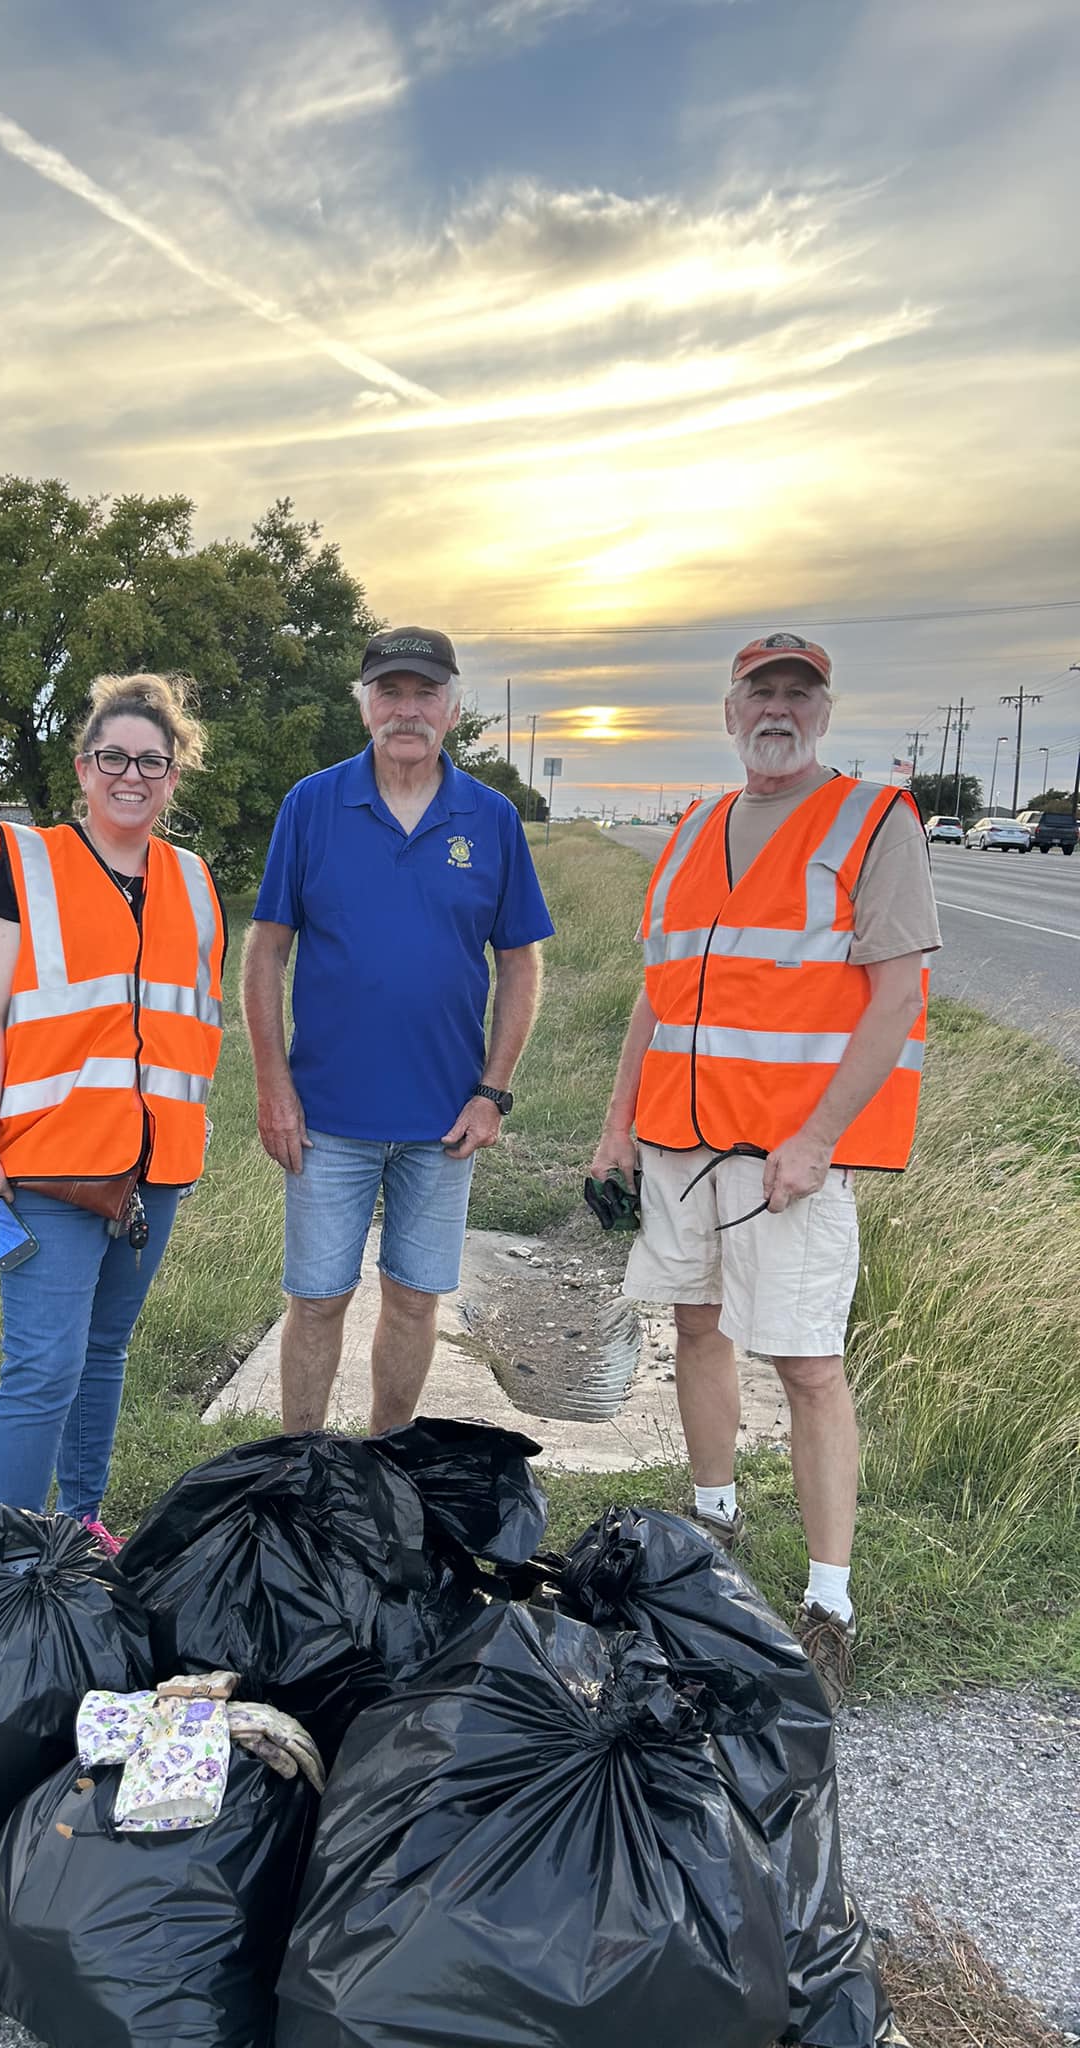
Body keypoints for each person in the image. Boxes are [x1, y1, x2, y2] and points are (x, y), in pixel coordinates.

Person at [590, 631, 940, 1707]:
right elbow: (657, 991)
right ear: (731, 711)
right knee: (697, 1326)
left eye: (799, 691)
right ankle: (714, 1522)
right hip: (685, 1141)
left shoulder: (873, 821)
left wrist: (819, 1136)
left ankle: (829, 1605)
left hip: (790, 1156)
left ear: (824, 712)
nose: (778, 708)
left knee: (807, 1365)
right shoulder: (694, 828)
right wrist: (617, 1123)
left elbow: (895, 997)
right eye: (760, 692)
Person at [242, 626, 554, 1436]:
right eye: (390, 692)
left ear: (453, 709)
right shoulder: (312, 804)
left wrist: (492, 1092)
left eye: (424, 694)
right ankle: (301, 1469)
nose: (406, 711)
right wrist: (274, 1087)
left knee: (415, 1301)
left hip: (444, 1121)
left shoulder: (489, 819)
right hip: (326, 1117)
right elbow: (265, 951)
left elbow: (521, 964)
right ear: (365, 706)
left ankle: (386, 1462)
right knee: (315, 1301)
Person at [0, 673, 226, 1553]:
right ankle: (5, 1555)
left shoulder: (194, 880)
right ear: (83, 767)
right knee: (43, 1367)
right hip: (49, 1166)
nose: (132, 776)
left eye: (153, 760)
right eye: (114, 758)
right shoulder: (25, 864)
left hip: (158, 1166)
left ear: (176, 774)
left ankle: (78, 1525)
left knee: (104, 1351)